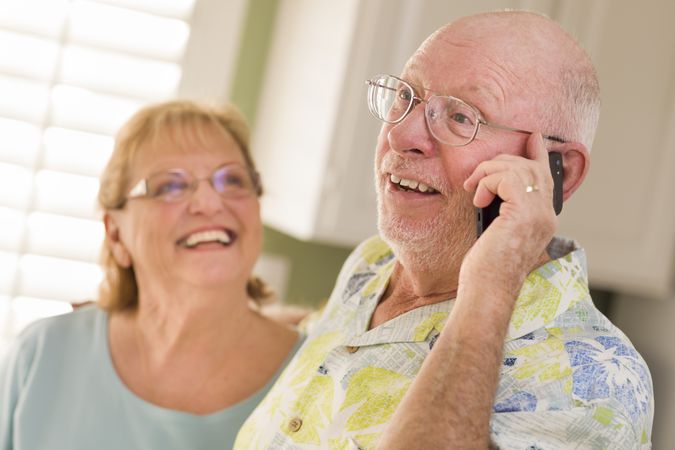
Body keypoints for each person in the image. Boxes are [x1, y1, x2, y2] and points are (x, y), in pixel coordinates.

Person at [234, 10, 654, 450]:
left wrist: (491, 284)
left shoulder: (599, 386)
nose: (402, 135)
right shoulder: (375, 261)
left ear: (558, 172)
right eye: (406, 96)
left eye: (460, 117)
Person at [0, 100, 303, 449]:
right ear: (115, 234)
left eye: (232, 180)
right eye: (169, 186)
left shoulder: (317, 373)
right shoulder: (41, 355)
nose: (209, 202)